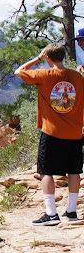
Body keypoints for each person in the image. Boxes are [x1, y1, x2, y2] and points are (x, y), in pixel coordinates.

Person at [15, 43, 84, 225]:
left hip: (51, 132)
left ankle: (51, 213)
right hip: (75, 132)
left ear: (48, 58)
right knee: (74, 171)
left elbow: (19, 71)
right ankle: (71, 211)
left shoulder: (44, 75)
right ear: (63, 56)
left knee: (46, 172)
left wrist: (37, 58)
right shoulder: (77, 77)